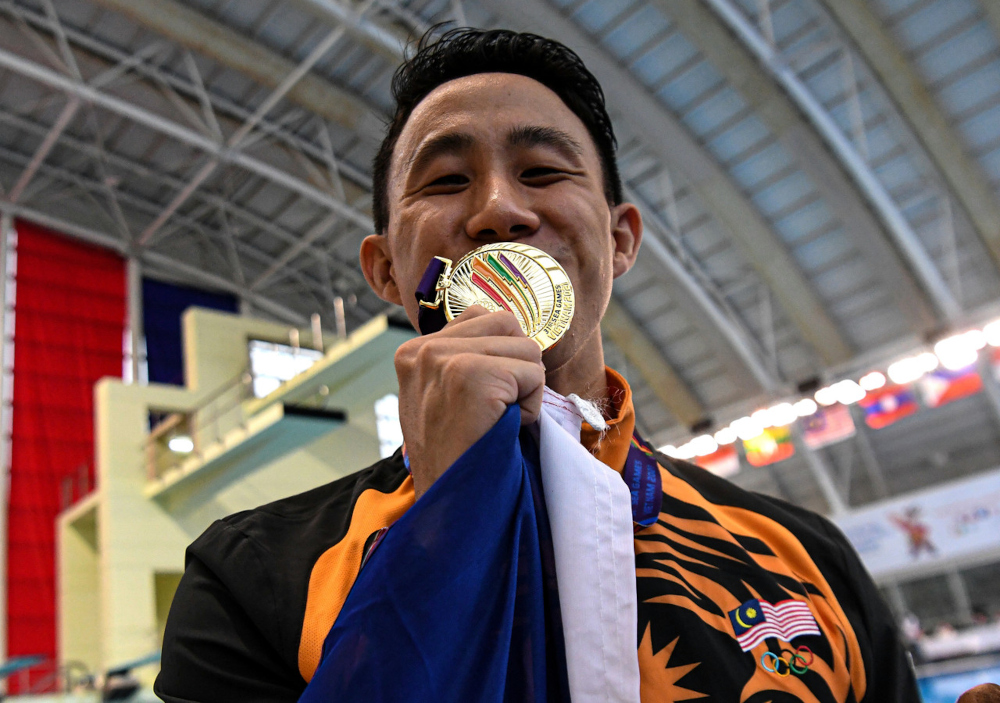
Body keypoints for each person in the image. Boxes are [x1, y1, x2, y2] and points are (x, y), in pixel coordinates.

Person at [155, 27, 920, 702]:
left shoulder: (803, 559)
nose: (499, 209)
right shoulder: (256, 573)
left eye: (545, 172)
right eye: (447, 180)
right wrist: (453, 515)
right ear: (387, 269)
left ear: (619, 241)